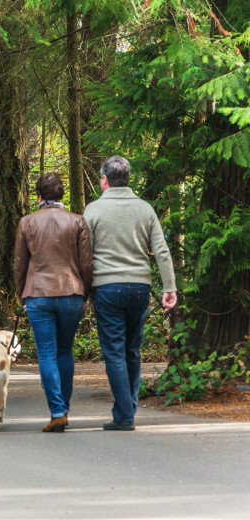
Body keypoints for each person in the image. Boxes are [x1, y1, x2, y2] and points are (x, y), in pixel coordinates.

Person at [84, 156, 177, 431]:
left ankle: (124, 414)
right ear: (127, 179)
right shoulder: (145, 209)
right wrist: (169, 287)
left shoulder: (93, 210)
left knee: (114, 352)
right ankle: (129, 406)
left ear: (104, 180)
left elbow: (84, 255)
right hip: (139, 288)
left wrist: (83, 290)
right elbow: (161, 250)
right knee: (132, 350)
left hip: (107, 287)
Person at [14, 174, 93, 433]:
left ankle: (57, 411)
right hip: (71, 292)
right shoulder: (77, 221)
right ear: (61, 195)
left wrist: (21, 295)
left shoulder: (27, 223)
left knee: (46, 353)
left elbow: (20, 265)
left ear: (38, 195)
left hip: (38, 294)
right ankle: (65, 409)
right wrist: (86, 293)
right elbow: (86, 264)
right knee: (64, 351)